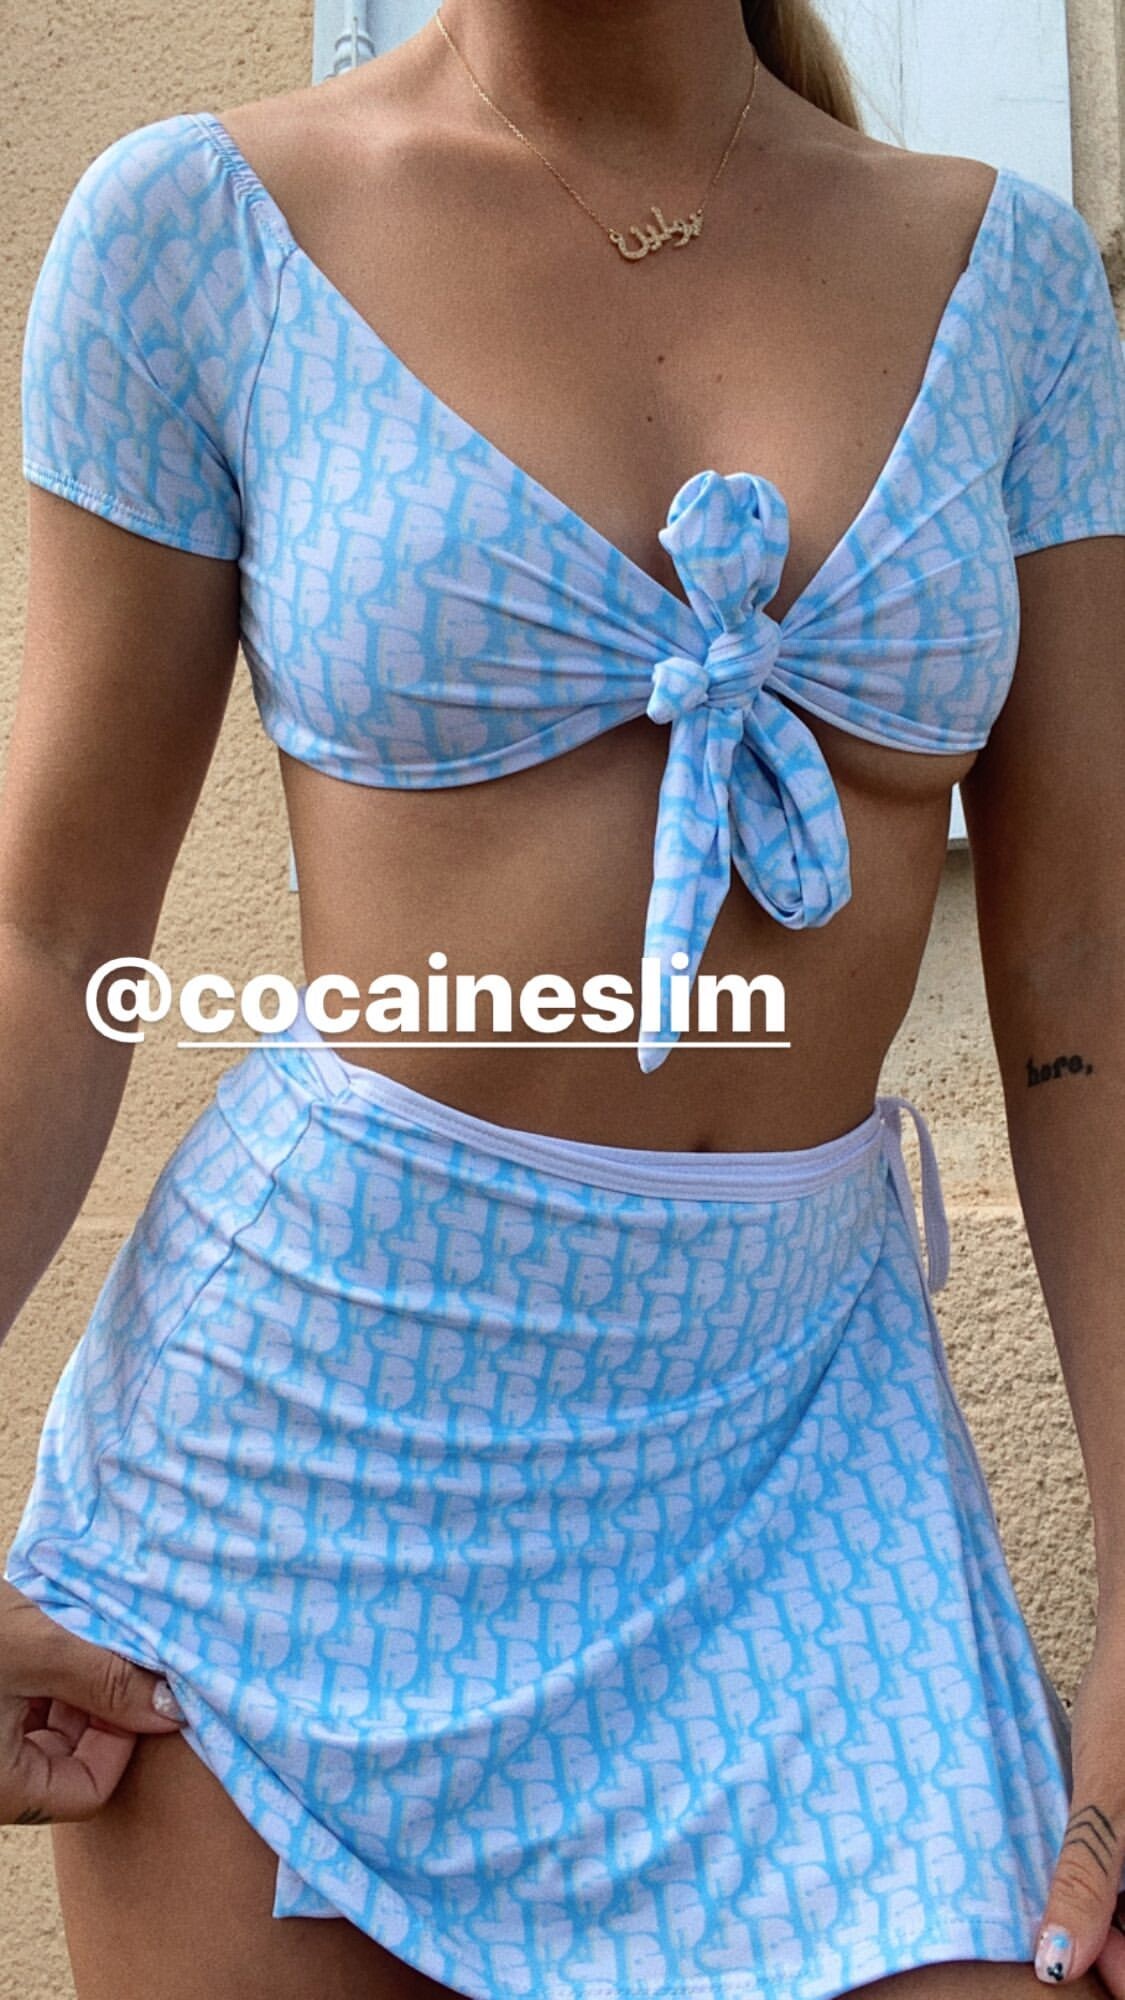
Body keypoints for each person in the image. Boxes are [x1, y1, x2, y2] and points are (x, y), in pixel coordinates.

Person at [2, 1, 1124, 1995]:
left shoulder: (1005, 279)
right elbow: (49, 933)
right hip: (304, 1474)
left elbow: (1079, 972)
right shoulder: (194, 228)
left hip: (802, 1446)